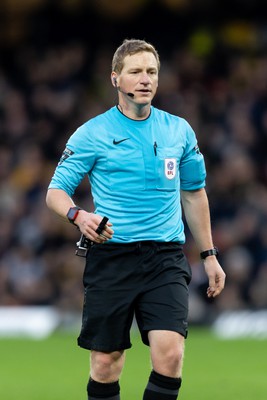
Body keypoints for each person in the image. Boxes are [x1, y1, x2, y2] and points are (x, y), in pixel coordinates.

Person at [46, 38, 226, 400]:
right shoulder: (92, 133)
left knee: (171, 354)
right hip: (112, 257)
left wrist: (209, 255)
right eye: (135, 72)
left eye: (151, 71)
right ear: (116, 79)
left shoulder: (179, 130)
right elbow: (55, 192)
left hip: (165, 257)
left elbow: (193, 193)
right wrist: (78, 216)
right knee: (106, 364)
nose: (145, 79)